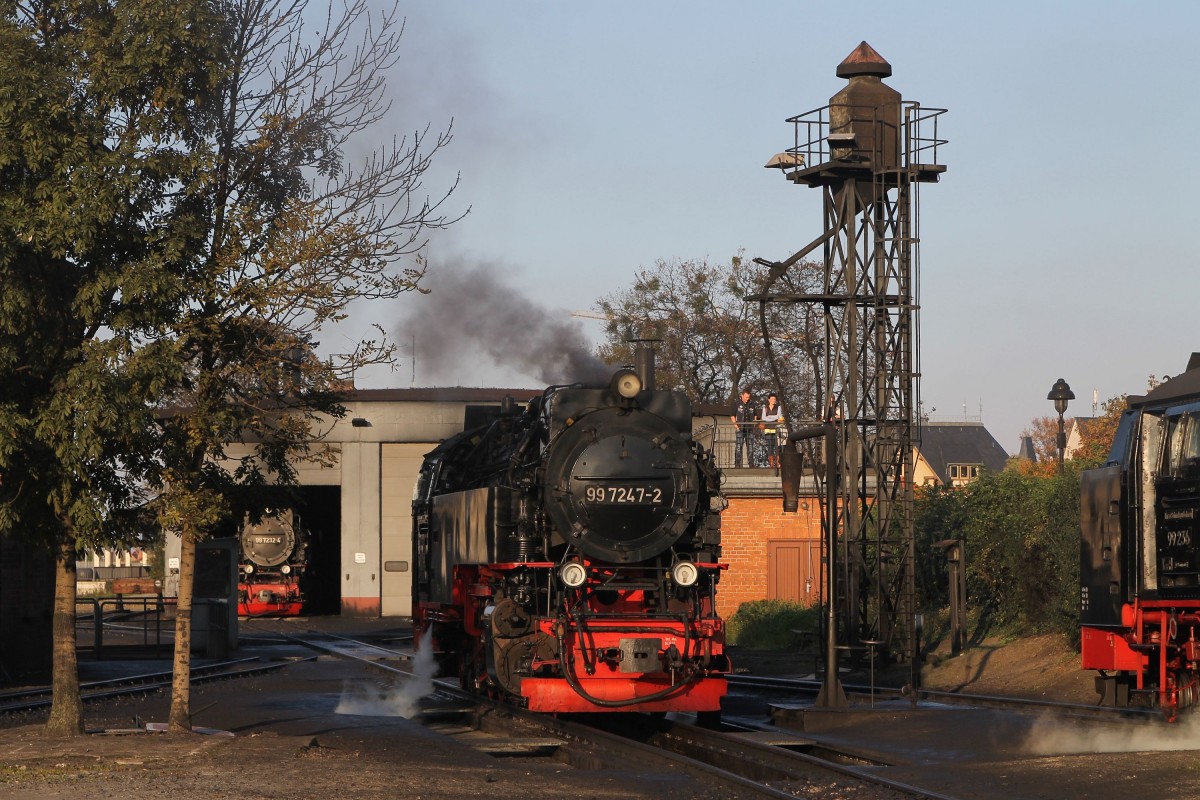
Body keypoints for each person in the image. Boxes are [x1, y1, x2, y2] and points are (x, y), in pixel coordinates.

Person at [730, 389, 758, 467]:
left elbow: (755, 414)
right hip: (740, 429)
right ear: (742, 396)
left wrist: (754, 424)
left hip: (750, 429)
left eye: (748, 397)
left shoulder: (752, 404)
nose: (747, 399)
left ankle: (751, 464)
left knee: (751, 447)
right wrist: (736, 425)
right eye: (746, 397)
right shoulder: (736, 403)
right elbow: (732, 415)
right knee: (739, 447)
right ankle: (737, 464)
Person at [760, 392, 785, 468]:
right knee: (770, 446)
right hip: (767, 429)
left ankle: (778, 462)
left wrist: (769, 418)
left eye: (774, 399)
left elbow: (779, 417)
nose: (773, 400)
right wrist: (774, 418)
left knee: (777, 446)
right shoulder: (765, 408)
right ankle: (771, 463)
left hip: (776, 429)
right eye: (772, 399)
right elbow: (764, 418)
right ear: (769, 400)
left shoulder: (778, 407)